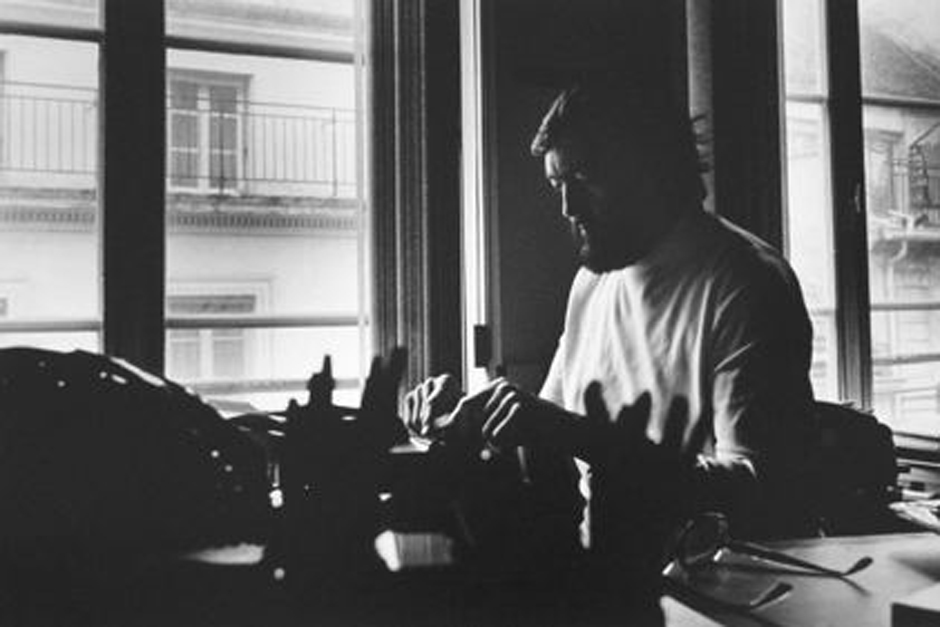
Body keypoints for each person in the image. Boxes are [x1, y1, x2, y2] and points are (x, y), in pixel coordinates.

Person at [404, 77, 819, 553]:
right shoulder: (592, 283)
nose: (568, 207)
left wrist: (592, 441)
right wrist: (471, 415)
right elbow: (548, 429)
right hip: (612, 572)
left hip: (725, 585)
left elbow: (767, 492)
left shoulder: (747, 283)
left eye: (584, 177)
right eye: (558, 185)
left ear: (652, 167)